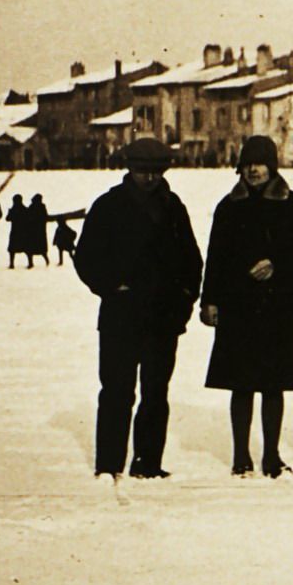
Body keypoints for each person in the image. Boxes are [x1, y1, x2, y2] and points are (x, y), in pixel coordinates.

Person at [73, 137, 204, 480]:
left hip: (163, 318)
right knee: (117, 391)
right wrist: (109, 286)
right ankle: (109, 464)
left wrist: (185, 298)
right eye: (143, 170)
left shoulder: (174, 207)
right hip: (121, 316)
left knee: (155, 393)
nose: (149, 178)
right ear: (129, 168)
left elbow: (192, 260)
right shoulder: (108, 206)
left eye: (156, 172)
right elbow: (86, 257)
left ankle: (148, 462)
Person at [200, 136, 293, 478]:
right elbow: (215, 257)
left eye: (260, 162)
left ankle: (271, 455)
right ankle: (240, 456)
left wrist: (276, 263)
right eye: (248, 163)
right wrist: (209, 300)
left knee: (273, 385)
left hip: (279, 305)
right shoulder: (228, 206)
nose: (253, 170)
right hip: (238, 305)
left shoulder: (291, 203)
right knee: (241, 384)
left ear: (272, 165)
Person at [26, 194, 52, 267]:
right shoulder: (42, 207)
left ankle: (31, 263)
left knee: (30, 249)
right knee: (41, 249)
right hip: (40, 231)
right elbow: (45, 217)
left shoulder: (32, 207)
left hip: (33, 231)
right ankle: (46, 260)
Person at [5, 194, 29, 268]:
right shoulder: (25, 209)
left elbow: (7, 218)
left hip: (15, 231)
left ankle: (12, 264)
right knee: (26, 248)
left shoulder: (13, 210)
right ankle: (30, 262)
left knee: (12, 249)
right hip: (24, 231)